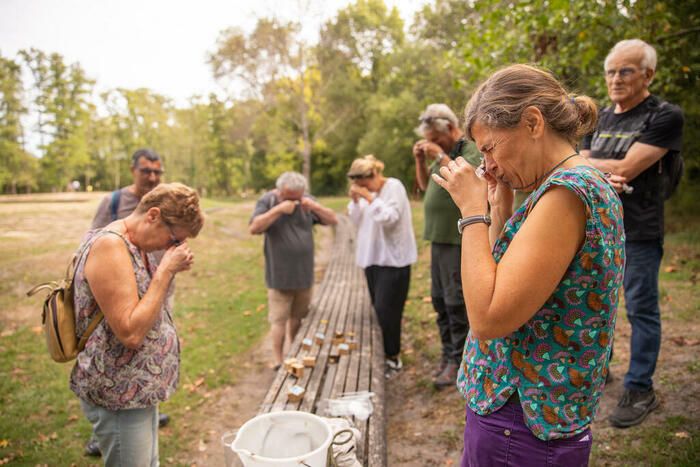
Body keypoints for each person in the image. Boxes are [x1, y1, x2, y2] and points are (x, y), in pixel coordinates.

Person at [432, 64, 625, 466]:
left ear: (533, 122)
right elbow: (504, 276)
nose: (488, 164)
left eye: (489, 148)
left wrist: (470, 211)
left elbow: (488, 316)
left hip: (521, 424)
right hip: (525, 416)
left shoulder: (565, 196)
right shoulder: (574, 183)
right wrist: (497, 207)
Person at [581, 39, 684, 428]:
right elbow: (581, 161)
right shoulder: (600, 117)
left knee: (641, 307)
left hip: (640, 229)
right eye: (611, 71)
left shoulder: (664, 115)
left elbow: (629, 166)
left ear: (648, 74)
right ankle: (595, 371)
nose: (616, 79)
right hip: (596, 227)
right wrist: (607, 168)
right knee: (594, 302)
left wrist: (596, 166)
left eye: (626, 70)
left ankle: (640, 387)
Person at [71, 183, 204, 466]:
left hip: (137, 391)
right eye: (173, 239)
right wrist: (166, 269)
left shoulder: (135, 243)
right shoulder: (110, 246)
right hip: (118, 393)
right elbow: (130, 332)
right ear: (153, 215)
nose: (172, 248)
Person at [85, 148, 170, 457]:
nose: (152, 177)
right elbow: (92, 242)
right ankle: (107, 431)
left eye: (157, 172)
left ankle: (143, 415)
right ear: (134, 170)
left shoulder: (164, 200)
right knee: (120, 359)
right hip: (122, 304)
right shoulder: (115, 203)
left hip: (156, 297)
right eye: (146, 171)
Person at [249, 172, 338, 369]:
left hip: (304, 274)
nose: (294, 202)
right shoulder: (268, 201)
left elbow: (333, 219)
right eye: (289, 198)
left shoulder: (307, 201)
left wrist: (313, 206)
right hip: (280, 275)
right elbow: (254, 227)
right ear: (279, 192)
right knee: (279, 319)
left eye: (297, 197)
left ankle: (294, 351)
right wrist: (279, 210)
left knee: (297, 317)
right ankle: (278, 359)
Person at [413, 104, 471, 389]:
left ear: (450, 128)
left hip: (457, 239)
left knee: (455, 301)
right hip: (438, 238)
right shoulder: (443, 153)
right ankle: (448, 355)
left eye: (437, 139)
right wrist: (422, 161)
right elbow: (425, 187)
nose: (433, 145)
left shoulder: (468, 148)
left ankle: (460, 361)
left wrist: (439, 155)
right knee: (439, 299)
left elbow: (469, 182)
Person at [347, 155, 417, 378]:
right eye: (359, 184)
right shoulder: (368, 194)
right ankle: (384, 354)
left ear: (374, 174)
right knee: (379, 311)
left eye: (364, 182)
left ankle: (393, 358)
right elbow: (357, 220)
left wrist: (369, 198)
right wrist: (357, 202)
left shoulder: (393, 186)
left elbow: (390, 218)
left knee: (388, 312)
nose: (363, 187)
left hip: (394, 261)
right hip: (372, 259)